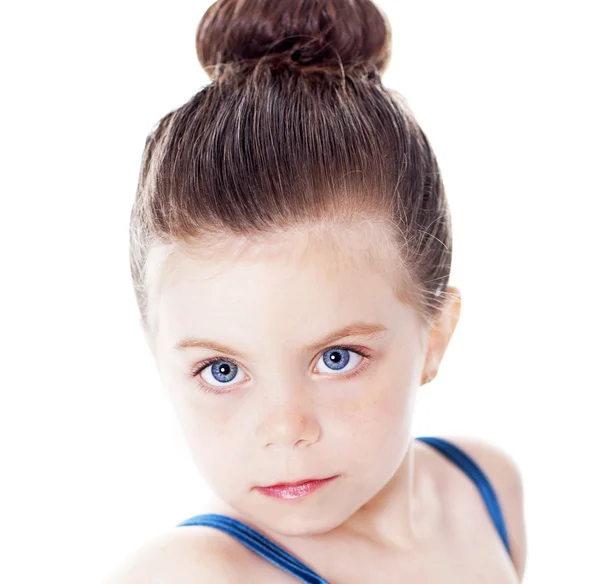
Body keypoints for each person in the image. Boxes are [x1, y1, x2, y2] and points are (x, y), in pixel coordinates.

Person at [106, 0, 527, 581]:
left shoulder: (485, 491)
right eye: (221, 370)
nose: (284, 429)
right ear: (159, 356)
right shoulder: (194, 575)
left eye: (337, 358)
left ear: (435, 334)